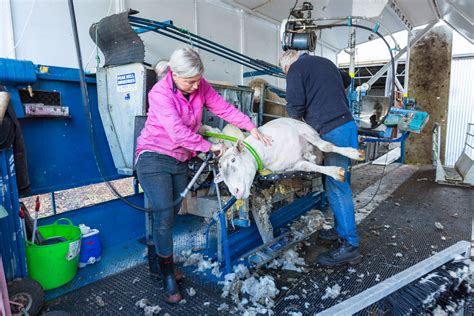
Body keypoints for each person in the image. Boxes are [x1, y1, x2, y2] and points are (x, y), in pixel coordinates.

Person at [135, 47, 271, 303]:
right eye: (190, 81)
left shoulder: (199, 85)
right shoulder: (160, 93)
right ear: (174, 75)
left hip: (179, 159)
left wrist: (250, 127)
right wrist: (209, 146)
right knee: (164, 215)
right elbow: (176, 132)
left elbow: (223, 108)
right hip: (153, 157)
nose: (196, 85)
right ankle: (167, 278)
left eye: (198, 79)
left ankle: (158, 265)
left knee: (169, 215)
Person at [279, 50, 361, 266]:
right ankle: (340, 229)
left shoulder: (296, 69)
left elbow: (294, 109)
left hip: (332, 130)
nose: (288, 76)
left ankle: (349, 245)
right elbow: (346, 79)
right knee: (338, 181)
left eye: (284, 73)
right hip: (347, 126)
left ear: (288, 66)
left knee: (336, 186)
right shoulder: (325, 62)